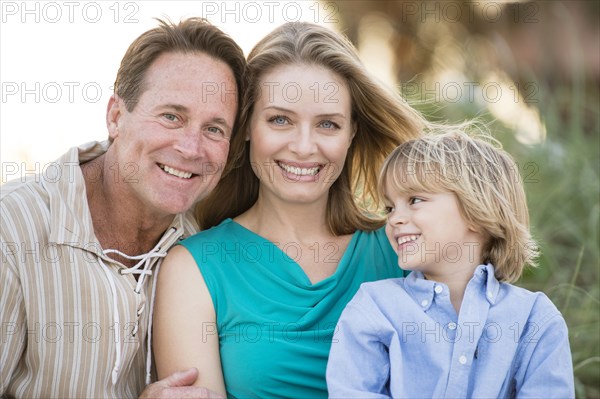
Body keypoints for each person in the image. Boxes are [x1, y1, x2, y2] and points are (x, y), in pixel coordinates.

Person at [152, 21, 427, 397]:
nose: (303, 146)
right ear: (247, 125)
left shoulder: (404, 247)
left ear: (352, 133)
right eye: (280, 119)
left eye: (327, 124)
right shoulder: (194, 268)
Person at [0, 18, 245, 398]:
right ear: (116, 116)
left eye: (214, 129)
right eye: (171, 116)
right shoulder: (12, 230)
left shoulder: (209, 247)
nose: (191, 148)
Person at [326, 129, 575, 398]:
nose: (395, 219)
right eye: (390, 208)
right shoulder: (374, 307)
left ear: (477, 211)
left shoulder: (534, 319)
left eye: (415, 200)